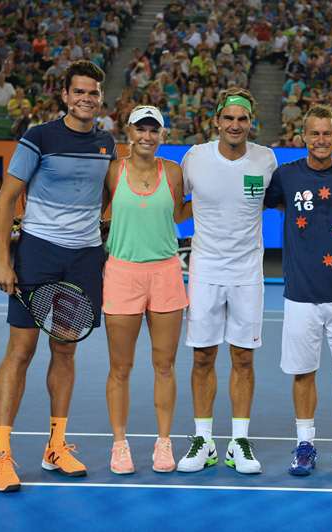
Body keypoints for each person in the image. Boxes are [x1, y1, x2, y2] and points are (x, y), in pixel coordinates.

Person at [0, 61, 115, 492]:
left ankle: (56, 445)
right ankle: (0, 454)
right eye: (78, 91)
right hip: (38, 255)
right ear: (65, 95)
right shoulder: (38, 137)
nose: (85, 99)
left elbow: (112, 196)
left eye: (92, 93)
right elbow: (6, 200)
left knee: (65, 351)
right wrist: (4, 259)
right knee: (20, 351)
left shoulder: (106, 143)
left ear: (100, 98)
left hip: (83, 260)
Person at [264, 106, 332, 479]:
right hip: (300, 295)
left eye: (328, 133)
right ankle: (305, 444)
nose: (321, 140)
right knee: (303, 373)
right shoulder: (285, 176)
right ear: (303, 137)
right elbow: (270, 204)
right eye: (314, 134)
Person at [176, 88, 277, 474]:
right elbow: (178, 205)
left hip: (247, 272)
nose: (236, 125)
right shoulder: (195, 158)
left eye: (243, 119)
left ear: (251, 123)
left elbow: (277, 201)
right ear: (217, 121)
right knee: (202, 356)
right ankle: (204, 440)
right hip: (205, 270)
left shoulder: (265, 160)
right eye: (229, 118)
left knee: (243, 357)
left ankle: (238, 441)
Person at [103, 106, 191, 475]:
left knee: (164, 366)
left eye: (154, 130)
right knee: (120, 368)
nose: (147, 136)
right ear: (129, 132)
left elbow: (179, 213)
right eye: (141, 129)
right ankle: (120, 444)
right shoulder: (112, 172)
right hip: (122, 274)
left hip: (166, 274)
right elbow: (99, 209)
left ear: (162, 136)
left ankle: (164, 443)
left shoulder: (172, 173)